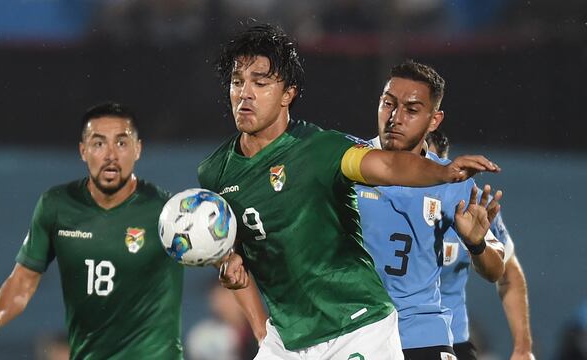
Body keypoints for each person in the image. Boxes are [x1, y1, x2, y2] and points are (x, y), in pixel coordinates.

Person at [199, 23, 499, 359]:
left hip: (356, 329)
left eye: (260, 82)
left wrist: (443, 172)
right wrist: (258, 325)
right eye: (237, 82)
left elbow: (387, 166)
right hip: (287, 339)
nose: (245, 94)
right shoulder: (214, 173)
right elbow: (235, 263)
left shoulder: (321, 149)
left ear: (288, 94)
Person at [0, 102, 184, 359]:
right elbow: (24, 279)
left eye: (121, 143)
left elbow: (215, 255)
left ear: (138, 149)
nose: (111, 154)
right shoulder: (57, 206)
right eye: (99, 144)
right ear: (83, 150)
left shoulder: (167, 211)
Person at [354, 60, 506, 360]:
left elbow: (495, 270)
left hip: (419, 331)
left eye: (411, 110)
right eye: (388, 104)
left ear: (434, 120)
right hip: (354, 329)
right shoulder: (346, 162)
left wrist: (476, 244)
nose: (394, 118)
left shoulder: (455, 181)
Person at [427, 129, 535, 360]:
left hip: (451, 342)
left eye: (437, 167)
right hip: (384, 336)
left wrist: (522, 348)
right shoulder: (376, 198)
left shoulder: (469, 207)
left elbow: (507, 273)